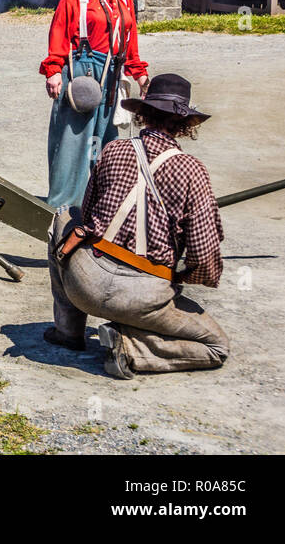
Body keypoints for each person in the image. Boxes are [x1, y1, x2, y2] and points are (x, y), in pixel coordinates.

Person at [46, 73, 227, 379]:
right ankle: (131, 348)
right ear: (184, 125)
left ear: (143, 114)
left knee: (65, 218)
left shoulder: (113, 150)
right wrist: (177, 278)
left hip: (85, 284)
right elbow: (205, 256)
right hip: (144, 298)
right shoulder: (193, 170)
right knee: (215, 346)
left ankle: (68, 331)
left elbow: (87, 217)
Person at [41, 0, 149, 208]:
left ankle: (101, 205)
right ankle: (63, 210)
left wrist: (138, 71)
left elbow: (129, 33)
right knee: (73, 144)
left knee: (106, 143)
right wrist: (54, 68)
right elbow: (60, 29)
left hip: (112, 73)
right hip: (82, 70)